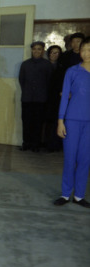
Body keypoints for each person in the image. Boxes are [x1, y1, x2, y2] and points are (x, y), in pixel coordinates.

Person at [53, 37, 90, 209]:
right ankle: (65, 193)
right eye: (83, 49)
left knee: (85, 160)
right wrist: (61, 121)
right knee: (70, 159)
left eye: (89, 49)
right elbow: (64, 98)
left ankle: (79, 196)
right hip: (72, 121)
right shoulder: (72, 71)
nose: (86, 53)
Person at [18, 41, 53, 152]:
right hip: (27, 98)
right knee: (26, 121)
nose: (36, 51)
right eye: (34, 49)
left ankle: (35, 144)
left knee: (38, 123)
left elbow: (49, 81)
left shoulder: (47, 64)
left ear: (43, 51)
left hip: (41, 99)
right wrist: (28, 91)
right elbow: (21, 80)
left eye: (39, 49)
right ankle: (26, 143)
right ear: (32, 50)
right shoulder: (25, 64)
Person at [45, 45, 64, 152]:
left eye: (57, 53)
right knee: (46, 122)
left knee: (55, 121)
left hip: (57, 98)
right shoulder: (44, 65)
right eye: (52, 52)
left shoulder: (62, 67)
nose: (54, 55)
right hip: (44, 97)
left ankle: (54, 144)